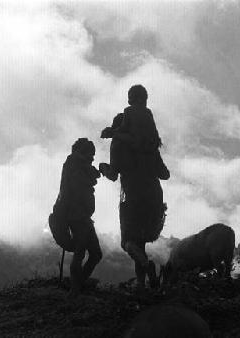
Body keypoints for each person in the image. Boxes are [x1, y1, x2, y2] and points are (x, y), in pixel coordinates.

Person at [100, 85, 169, 291]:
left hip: (133, 197)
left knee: (130, 242)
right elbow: (165, 174)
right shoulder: (150, 147)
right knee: (142, 243)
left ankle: (147, 268)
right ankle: (141, 284)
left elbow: (113, 175)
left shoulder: (119, 146)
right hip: (155, 196)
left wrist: (103, 168)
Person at [54, 138, 102, 295]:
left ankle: (79, 284)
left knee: (95, 254)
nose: (93, 158)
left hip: (82, 216)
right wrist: (94, 174)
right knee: (81, 252)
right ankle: (75, 289)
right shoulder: (75, 165)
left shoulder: (77, 165)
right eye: (91, 154)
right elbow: (79, 186)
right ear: (84, 152)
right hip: (77, 216)